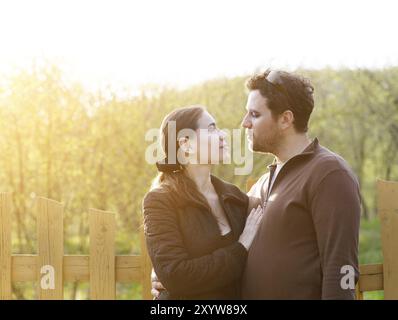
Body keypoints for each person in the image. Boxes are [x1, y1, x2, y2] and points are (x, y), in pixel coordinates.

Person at [151, 70, 361, 300]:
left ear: (285, 119)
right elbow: (214, 245)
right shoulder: (260, 186)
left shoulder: (328, 173)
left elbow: (341, 269)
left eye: (254, 114)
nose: (244, 123)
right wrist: (167, 276)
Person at [142, 105, 263, 299]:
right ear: (186, 144)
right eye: (212, 128)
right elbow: (176, 276)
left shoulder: (235, 197)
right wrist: (241, 247)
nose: (223, 135)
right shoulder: (160, 201)